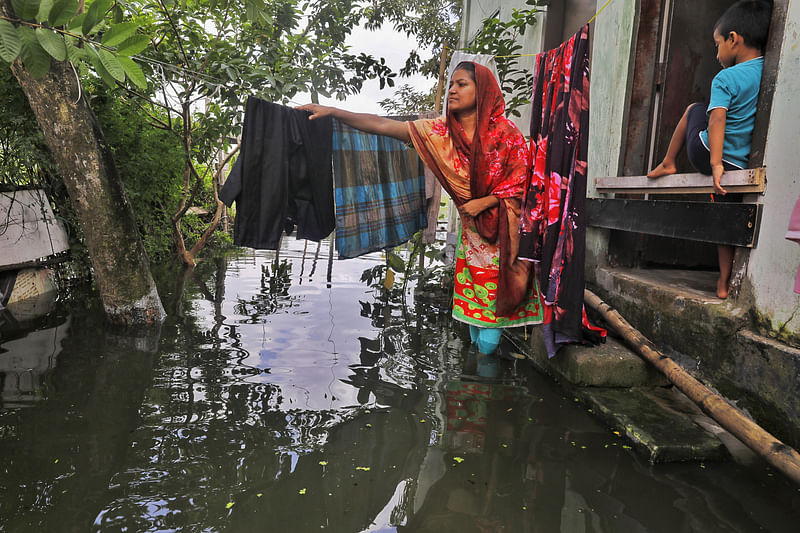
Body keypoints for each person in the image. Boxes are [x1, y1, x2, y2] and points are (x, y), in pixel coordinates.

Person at [299, 61, 542, 360]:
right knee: (475, 322)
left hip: (503, 239)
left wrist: (486, 202)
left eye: (462, 84)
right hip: (472, 239)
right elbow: (386, 126)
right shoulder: (441, 132)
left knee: (493, 321)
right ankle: (474, 386)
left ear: (484, 92)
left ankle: (484, 385)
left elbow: (524, 185)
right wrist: (335, 112)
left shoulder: (506, 134)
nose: (452, 90)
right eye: (451, 84)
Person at [647, 0, 772, 299]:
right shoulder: (768, 71)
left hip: (707, 153)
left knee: (693, 108)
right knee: (729, 219)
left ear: (734, 39)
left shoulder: (726, 77)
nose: (716, 53)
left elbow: (717, 117)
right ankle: (725, 282)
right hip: (742, 163)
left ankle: (668, 161)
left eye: (717, 44)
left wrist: (715, 164)